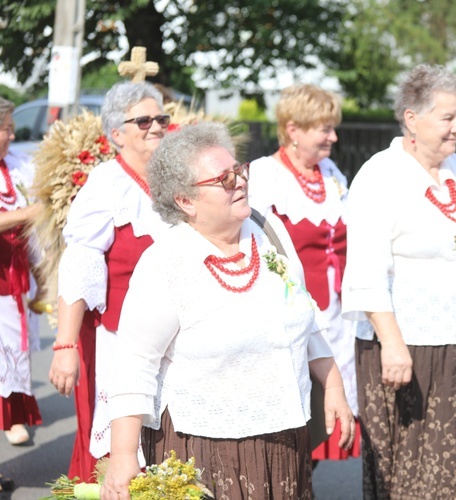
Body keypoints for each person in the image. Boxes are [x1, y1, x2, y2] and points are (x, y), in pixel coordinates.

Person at [100, 122, 354, 500]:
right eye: (223, 179)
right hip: (203, 448)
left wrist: (333, 386)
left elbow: (305, 316)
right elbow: (135, 363)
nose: (239, 182)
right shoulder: (166, 262)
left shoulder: (269, 234)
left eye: (239, 170)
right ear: (185, 201)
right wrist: (122, 455)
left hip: (285, 439)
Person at [342, 64, 456, 498]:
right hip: (407, 346)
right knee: (412, 469)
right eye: (447, 117)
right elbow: (365, 267)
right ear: (411, 119)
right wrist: (392, 342)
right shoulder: (380, 174)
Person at [48, 81, 171, 481]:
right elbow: (80, 265)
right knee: (119, 449)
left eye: (162, 119)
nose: (156, 127)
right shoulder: (106, 184)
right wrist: (66, 345)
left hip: (175, 338)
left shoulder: (174, 179)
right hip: (118, 338)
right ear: (116, 134)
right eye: (145, 120)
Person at [247, 83, 360, 462]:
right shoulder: (264, 174)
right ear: (293, 129)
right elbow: (253, 243)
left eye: (332, 127)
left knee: (327, 417)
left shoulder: (330, 172)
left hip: (336, 313)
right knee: (295, 420)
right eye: (324, 129)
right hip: (290, 311)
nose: (334, 136)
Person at [0, 97, 43, 446]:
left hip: (15, 269)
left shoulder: (17, 167)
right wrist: (28, 215)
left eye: (12, 128)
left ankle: (13, 416)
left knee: (14, 346)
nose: (12, 136)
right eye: (6, 128)